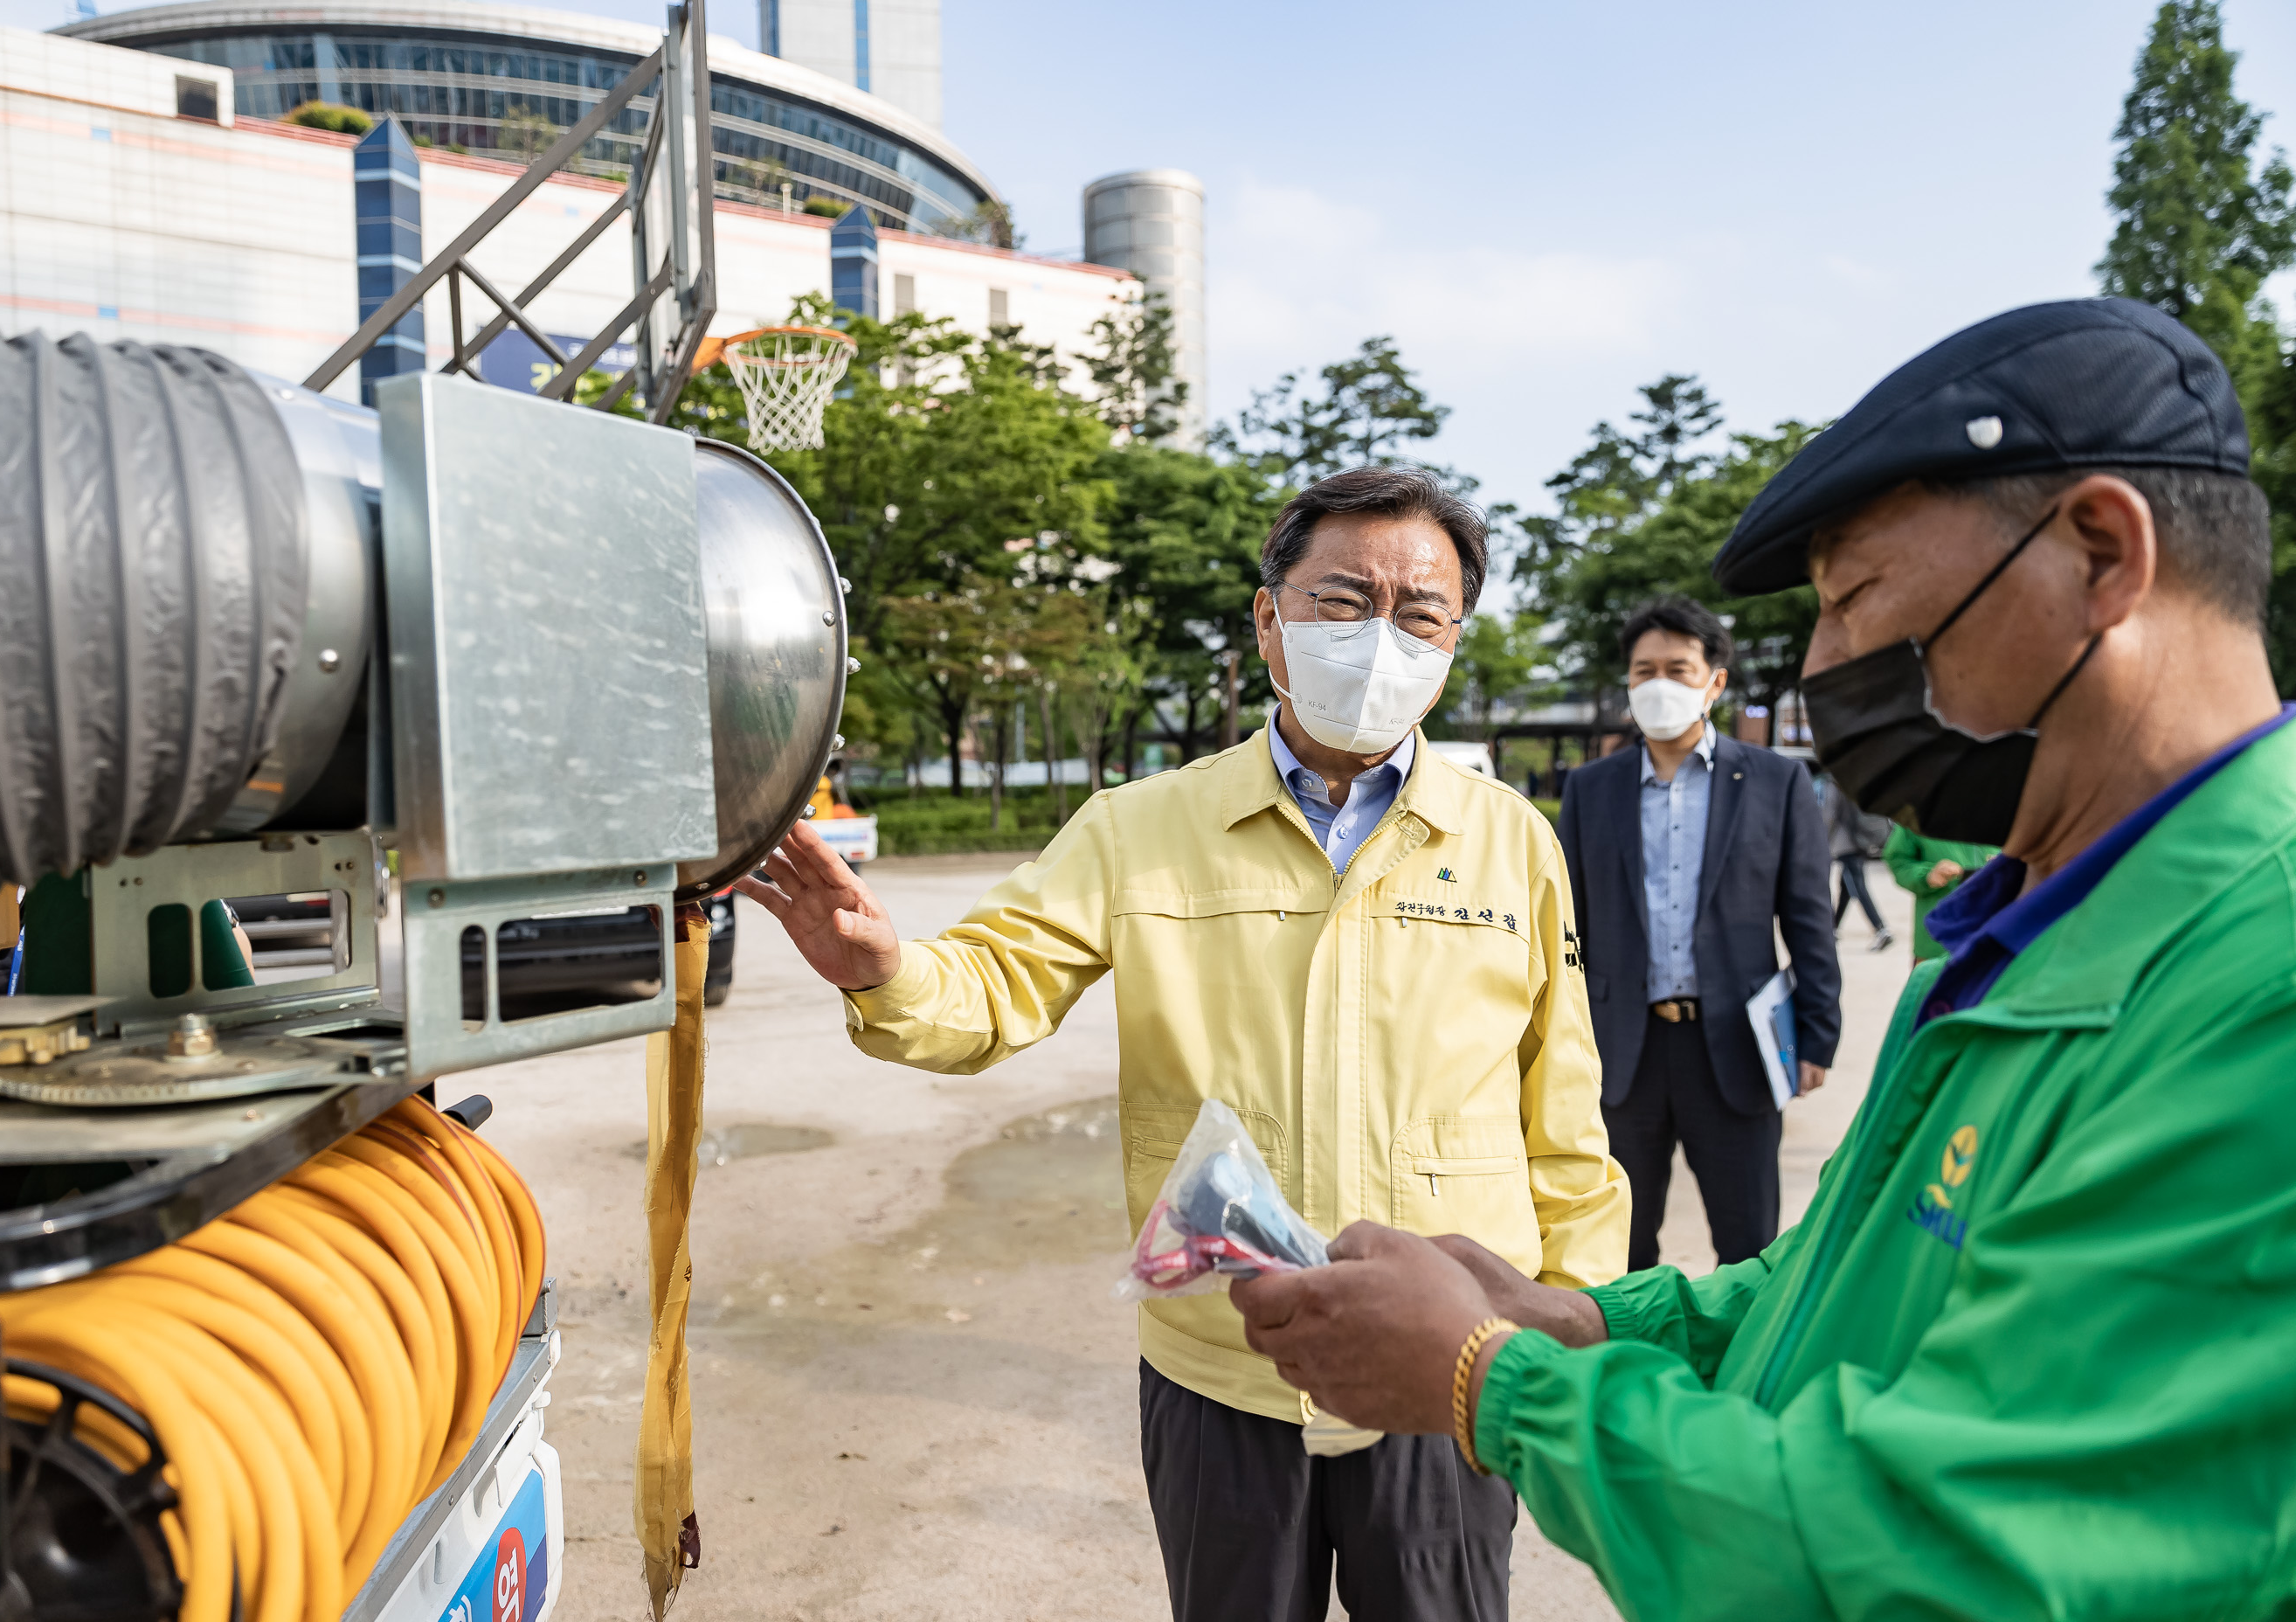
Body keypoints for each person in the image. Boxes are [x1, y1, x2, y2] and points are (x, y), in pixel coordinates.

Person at [1217, 297, 2296, 1619]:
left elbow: (1937, 1559)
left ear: (2098, 555)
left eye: (1857, 600)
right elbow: (1846, 1269)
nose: (1829, 662)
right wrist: (1594, 1322)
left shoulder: (2259, 987)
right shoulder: (2033, 922)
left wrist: (1489, 1382)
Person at [739, 467, 1628, 1622]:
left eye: (1418, 616)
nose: (1379, 639)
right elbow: (995, 980)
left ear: (1454, 639)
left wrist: (1575, 1318)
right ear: (1269, 621)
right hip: (1224, 1362)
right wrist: (890, 972)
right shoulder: (1142, 827)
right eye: (1342, 602)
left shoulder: (1512, 840)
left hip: (1443, 1351)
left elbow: (1561, 1119)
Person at [1555, 597, 1839, 1272]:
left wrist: (1817, 1033)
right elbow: (1567, 929)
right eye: (1643, 670)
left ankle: (1740, 1376)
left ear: (1715, 681)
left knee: (1749, 1249)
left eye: (1678, 669)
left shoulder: (1776, 781)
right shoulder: (1592, 790)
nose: (1659, 684)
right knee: (1621, 1245)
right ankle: (1628, 1375)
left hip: (1737, 1048)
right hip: (1622, 1051)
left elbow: (1808, 916)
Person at [1880, 824, 1999, 963]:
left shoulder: (2009, 807)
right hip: (1938, 941)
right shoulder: (1920, 812)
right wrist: (1927, 875)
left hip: (1997, 936)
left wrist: (2010, 863)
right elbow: (1898, 860)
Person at [1821, 775, 1895, 951]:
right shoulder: (1855, 779)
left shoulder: (1835, 783)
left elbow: (1829, 815)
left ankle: (1880, 929)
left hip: (1846, 845)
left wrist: (1821, 841)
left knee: (1857, 888)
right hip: (1860, 840)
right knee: (1846, 888)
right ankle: (1832, 929)